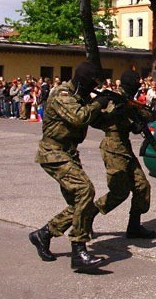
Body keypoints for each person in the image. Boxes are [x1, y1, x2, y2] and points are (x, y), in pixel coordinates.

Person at [28, 61, 110, 272]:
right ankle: (79, 251)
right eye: (92, 85)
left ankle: (44, 234)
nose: (94, 90)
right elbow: (79, 117)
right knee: (85, 190)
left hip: (68, 153)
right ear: (83, 82)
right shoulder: (62, 94)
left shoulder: (80, 96)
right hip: (53, 153)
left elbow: (94, 119)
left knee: (79, 205)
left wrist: (115, 109)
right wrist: (99, 102)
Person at [90, 70, 156, 239]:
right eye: (137, 82)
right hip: (113, 147)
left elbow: (138, 116)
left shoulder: (127, 99)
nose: (139, 85)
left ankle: (134, 226)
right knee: (119, 192)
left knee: (142, 186)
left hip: (124, 146)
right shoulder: (114, 98)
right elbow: (99, 120)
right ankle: (86, 217)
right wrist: (123, 119)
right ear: (129, 83)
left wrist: (136, 122)